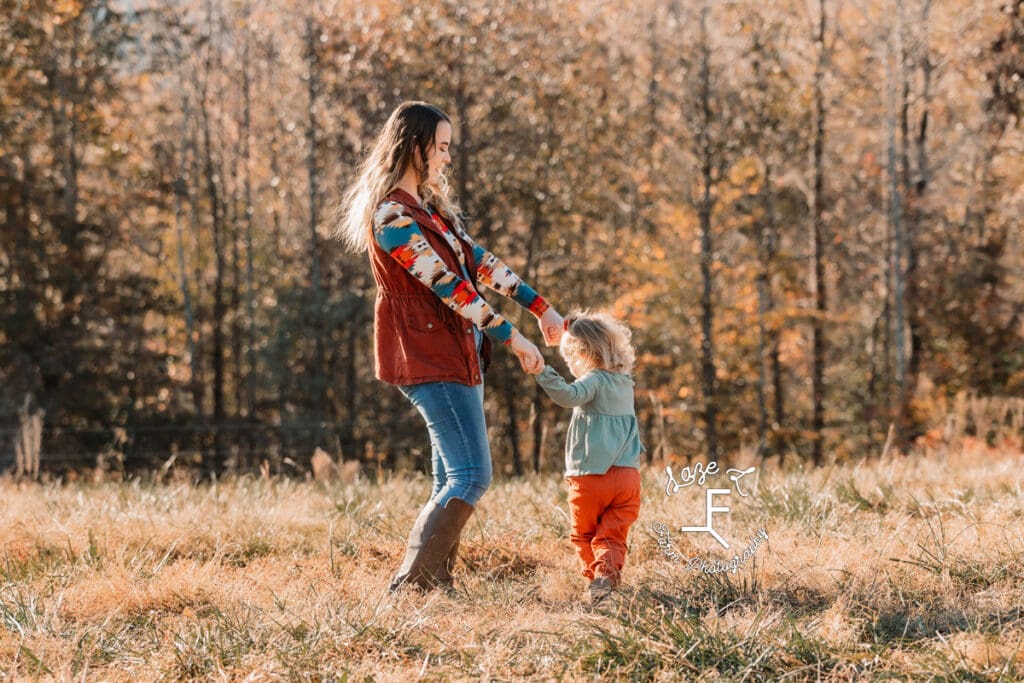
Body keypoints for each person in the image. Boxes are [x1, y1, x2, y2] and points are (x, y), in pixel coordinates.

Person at [334, 101, 564, 592]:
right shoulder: (392, 215)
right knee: (471, 476)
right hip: (428, 355)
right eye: (440, 147)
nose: (446, 158)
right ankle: (411, 587)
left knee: (452, 478)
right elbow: (448, 286)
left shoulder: (431, 210)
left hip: (456, 352)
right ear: (414, 147)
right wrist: (515, 337)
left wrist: (540, 307)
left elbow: (479, 263)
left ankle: (434, 585)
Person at [533, 311, 644, 603]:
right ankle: (607, 576)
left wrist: (542, 371)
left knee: (583, 535)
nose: (569, 367)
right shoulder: (625, 383)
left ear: (582, 355)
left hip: (589, 477)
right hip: (628, 478)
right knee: (613, 535)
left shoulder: (593, 380)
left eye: (570, 360)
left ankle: (594, 581)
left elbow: (569, 396)